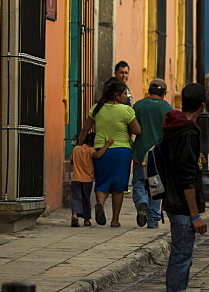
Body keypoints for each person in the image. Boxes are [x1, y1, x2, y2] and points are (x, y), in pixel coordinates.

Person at [162, 82, 209, 292]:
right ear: (203, 105)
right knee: (181, 260)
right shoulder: (189, 131)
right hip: (182, 207)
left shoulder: (173, 125)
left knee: (179, 259)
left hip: (171, 201)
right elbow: (187, 178)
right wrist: (195, 216)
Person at [78, 80, 141, 227]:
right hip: (121, 151)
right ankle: (115, 220)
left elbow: (85, 130)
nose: (127, 96)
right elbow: (138, 131)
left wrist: (80, 145)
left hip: (101, 150)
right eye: (125, 93)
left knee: (102, 182)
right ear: (117, 95)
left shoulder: (96, 109)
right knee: (118, 187)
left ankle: (100, 204)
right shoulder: (126, 110)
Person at [132, 78, 174, 228]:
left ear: (149, 90)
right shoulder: (168, 108)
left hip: (140, 151)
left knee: (138, 182)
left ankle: (141, 201)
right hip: (158, 154)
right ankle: (153, 220)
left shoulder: (139, 105)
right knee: (155, 185)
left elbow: (132, 127)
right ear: (163, 93)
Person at [69, 132, 112, 227]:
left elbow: (71, 161)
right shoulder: (90, 150)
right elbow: (98, 155)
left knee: (76, 198)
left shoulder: (76, 149)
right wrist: (106, 145)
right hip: (87, 180)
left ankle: (75, 215)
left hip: (75, 179)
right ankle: (87, 220)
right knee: (86, 199)